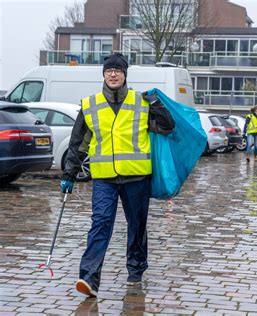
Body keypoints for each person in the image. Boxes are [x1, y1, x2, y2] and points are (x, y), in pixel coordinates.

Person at [60, 53, 175, 297]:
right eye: (109, 70)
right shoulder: (90, 105)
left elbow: (167, 127)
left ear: (125, 75)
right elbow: (79, 143)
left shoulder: (141, 102)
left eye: (118, 70)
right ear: (103, 74)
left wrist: (156, 104)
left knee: (137, 226)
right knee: (100, 224)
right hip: (104, 179)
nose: (113, 74)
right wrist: (69, 173)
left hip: (136, 178)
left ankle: (136, 268)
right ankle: (88, 277)